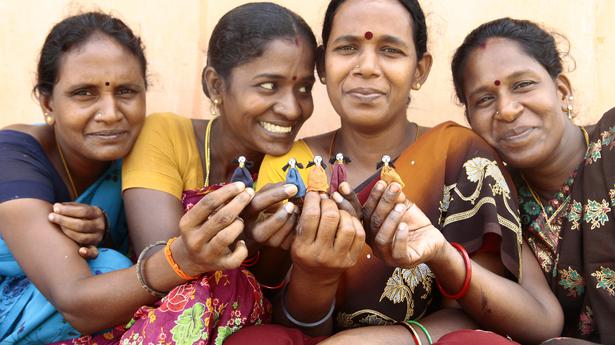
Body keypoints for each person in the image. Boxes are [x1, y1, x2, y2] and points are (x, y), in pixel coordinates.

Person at [227, 1, 564, 344]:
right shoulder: (290, 169)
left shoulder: (460, 156)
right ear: (322, 64)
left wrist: (375, 340)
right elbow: (282, 320)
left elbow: (478, 319)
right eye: (347, 48)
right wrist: (317, 277)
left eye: (390, 50)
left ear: (420, 69)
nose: (367, 67)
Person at [0, 12, 259, 345]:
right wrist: (181, 259)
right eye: (84, 93)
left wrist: (103, 232)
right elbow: (77, 301)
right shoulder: (13, 157)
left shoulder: (141, 153)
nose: (110, 113)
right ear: (48, 102)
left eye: (126, 91)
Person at [115, 2, 320, 343]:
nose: (292, 108)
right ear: (215, 85)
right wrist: (246, 237)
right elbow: (167, 262)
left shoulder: (300, 167)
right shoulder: (167, 135)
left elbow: (274, 292)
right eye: (269, 86)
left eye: (304, 88)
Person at [451, 17, 615, 344]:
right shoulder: (491, 202)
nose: (508, 110)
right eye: (484, 99)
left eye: (523, 84)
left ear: (562, 91)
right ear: (470, 121)